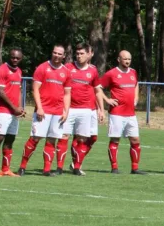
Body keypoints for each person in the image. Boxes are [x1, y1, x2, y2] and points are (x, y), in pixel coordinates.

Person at [19, 45, 71, 176]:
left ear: (63, 56)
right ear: (52, 53)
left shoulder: (66, 71)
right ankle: (22, 166)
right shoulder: (42, 68)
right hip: (44, 110)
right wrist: (40, 107)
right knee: (35, 138)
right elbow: (35, 89)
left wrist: (66, 111)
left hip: (58, 111)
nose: (57, 55)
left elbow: (67, 94)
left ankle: (46, 170)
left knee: (52, 139)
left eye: (60, 54)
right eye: (55, 53)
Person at [96, 50, 143, 175]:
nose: (127, 61)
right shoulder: (111, 73)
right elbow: (98, 88)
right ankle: (114, 167)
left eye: (129, 59)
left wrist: (136, 97)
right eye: (125, 59)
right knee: (115, 140)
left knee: (135, 140)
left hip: (131, 113)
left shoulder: (133, 72)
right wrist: (107, 100)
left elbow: (136, 84)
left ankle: (135, 168)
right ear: (119, 59)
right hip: (117, 113)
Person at [62, 43, 100, 176]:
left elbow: (97, 90)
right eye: (77, 54)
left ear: (90, 54)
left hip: (89, 109)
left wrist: (101, 109)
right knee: (66, 136)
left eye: (82, 53)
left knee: (91, 138)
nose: (79, 56)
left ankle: (75, 164)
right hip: (71, 108)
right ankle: (74, 165)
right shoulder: (68, 68)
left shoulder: (93, 70)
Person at [0, 48, 24, 177]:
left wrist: (19, 107)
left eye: (17, 58)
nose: (15, 60)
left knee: (10, 139)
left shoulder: (19, 71)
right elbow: (1, 92)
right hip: (3, 111)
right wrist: (14, 108)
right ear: (9, 56)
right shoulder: (2, 70)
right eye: (13, 57)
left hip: (14, 112)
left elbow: (18, 90)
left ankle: (5, 169)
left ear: (21, 58)